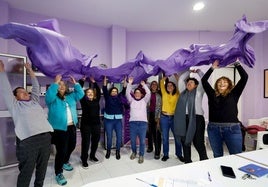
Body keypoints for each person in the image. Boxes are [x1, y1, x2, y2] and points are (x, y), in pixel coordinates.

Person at [0, 60, 53, 187]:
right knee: (26, 171)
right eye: (21, 91)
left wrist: (30, 71)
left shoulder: (34, 102)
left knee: (42, 168)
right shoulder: (15, 106)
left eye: (25, 91)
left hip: (45, 138)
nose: (25, 92)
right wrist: (1, 71)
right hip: (28, 142)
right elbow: (6, 90)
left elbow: (35, 87)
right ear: (16, 97)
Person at [201, 59, 248, 157]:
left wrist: (237, 63)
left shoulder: (234, 93)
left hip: (232, 128)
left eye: (225, 82)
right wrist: (212, 68)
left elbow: (244, 77)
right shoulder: (211, 94)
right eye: (219, 82)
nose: (222, 83)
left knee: (236, 156)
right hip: (213, 128)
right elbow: (204, 80)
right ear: (216, 85)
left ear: (229, 85)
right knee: (217, 156)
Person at [45, 74, 84, 186]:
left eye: (64, 85)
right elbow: (48, 96)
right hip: (59, 129)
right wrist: (56, 82)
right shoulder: (52, 99)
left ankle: (64, 162)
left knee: (72, 145)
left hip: (71, 126)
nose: (62, 86)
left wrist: (75, 83)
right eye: (60, 85)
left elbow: (81, 94)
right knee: (61, 151)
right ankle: (58, 173)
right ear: (56, 86)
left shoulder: (71, 96)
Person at [174, 69, 208, 163]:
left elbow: (204, 80)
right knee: (185, 141)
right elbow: (181, 80)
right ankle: (188, 161)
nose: (189, 83)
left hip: (197, 119)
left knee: (198, 142)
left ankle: (204, 160)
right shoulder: (183, 92)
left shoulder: (199, 92)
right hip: (184, 119)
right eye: (188, 82)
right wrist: (189, 71)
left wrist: (199, 72)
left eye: (192, 82)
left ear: (196, 85)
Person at [126, 77, 151, 164]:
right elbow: (127, 94)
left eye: (139, 93)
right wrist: (129, 83)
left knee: (142, 141)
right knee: (133, 140)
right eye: (136, 93)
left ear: (141, 95)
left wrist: (144, 85)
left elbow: (149, 93)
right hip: (133, 123)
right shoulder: (131, 101)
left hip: (143, 124)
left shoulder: (144, 101)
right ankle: (134, 152)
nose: (137, 94)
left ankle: (141, 155)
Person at [160, 74, 184, 162]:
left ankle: (179, 154)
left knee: (177, 137)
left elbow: (180, 83)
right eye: (168, 85)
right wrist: (166, 75)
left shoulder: (177, 93)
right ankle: (166, 155)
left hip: (174, 118)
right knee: (165, 138)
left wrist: (176, 76)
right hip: (164, 118)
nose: (169, 86)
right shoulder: (164, 92)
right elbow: (162, 82)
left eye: (171, 85)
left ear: (174, 87)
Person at [79, 77, 101, 169]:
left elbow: (99, 91)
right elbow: (79, 90)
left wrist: (94, 82)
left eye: (91, 93)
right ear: (85, 94)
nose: (90, 94)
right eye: (88, 93)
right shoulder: (83, 101)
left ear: (94, 94)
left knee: (95, 141)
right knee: (86, 143)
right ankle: (84, 159)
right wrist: (82, 81)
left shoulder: (97, 100)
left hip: (96, 125)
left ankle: (92, 156)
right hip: (86, 125)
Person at [103, 76, 127, 160]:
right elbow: (104, 88)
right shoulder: (107, 97)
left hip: (118, 121)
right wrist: (105, 80)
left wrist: (124, 81)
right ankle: (108, 151)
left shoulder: (120, 97)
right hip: (108, 120)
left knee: (119, 136)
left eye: (115, 91)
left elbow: (124, 89)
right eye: (112, 91)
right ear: (110, 92)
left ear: (117, 92)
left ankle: (117, 151)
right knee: (109, 137)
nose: (114, 92)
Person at [146, 81, 162, 159]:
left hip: (156, 116)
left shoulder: (159, 95)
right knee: (149, 132)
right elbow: (146, 106)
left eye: (155, 84)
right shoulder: (148, 95)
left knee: (157, 134)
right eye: (153, 84)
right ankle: (150, 147)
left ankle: (157, 152)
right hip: (149, 115)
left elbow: (160, 107)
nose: (154, 85)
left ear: (157, 86)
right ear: (151, 86)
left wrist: (158, 118)